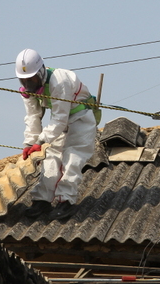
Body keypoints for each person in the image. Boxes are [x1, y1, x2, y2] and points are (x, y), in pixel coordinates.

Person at [16, 48, 98, 220]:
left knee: (72, 158)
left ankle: (65, 201)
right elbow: (32, 116)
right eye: (25, 80)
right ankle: (42, 202)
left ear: (41, 71)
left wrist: (42, 140)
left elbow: (60, 119)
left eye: (31, 79)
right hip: (59, 122)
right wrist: (30, 143)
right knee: (51, 157)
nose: (29, 84)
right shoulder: (27, 90)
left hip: (80, 118)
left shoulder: (59, 81)